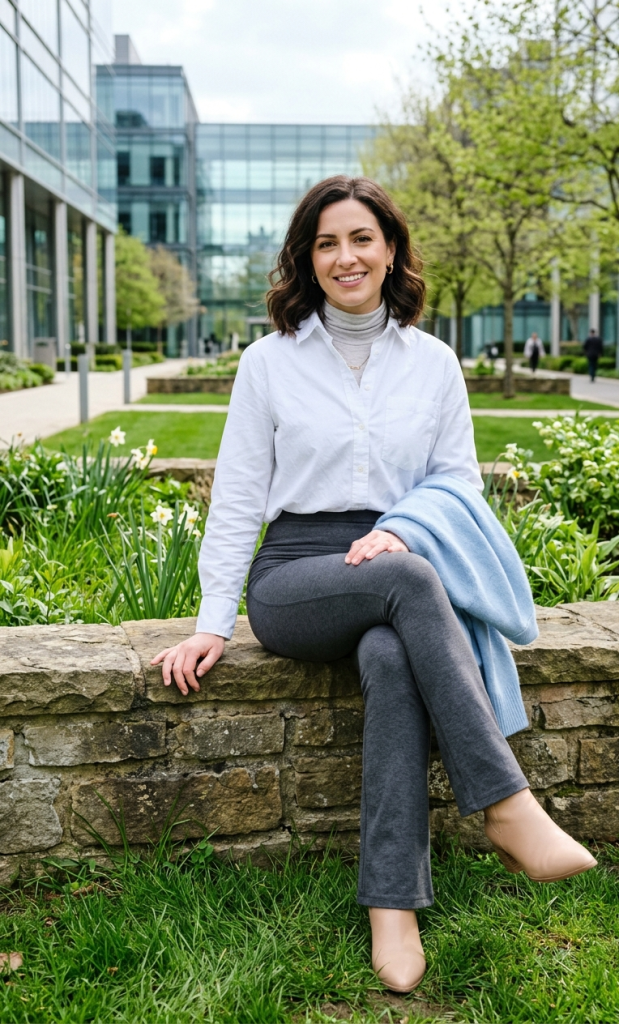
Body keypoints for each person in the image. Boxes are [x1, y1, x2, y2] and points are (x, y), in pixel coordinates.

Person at [151, 176, 596, 994]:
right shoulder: (268, 362)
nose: (345, 256)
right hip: (297, 573)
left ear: (389, 249)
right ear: (306, 259)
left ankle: (391, 907)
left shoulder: (432, 364)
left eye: (361, 238)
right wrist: (213, 620)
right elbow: (240, 497)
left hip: (397, 555)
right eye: (326, 243)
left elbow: (457, 482)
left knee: (394, 656)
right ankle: (506, 807)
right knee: (407, 583)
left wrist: (402, 529)